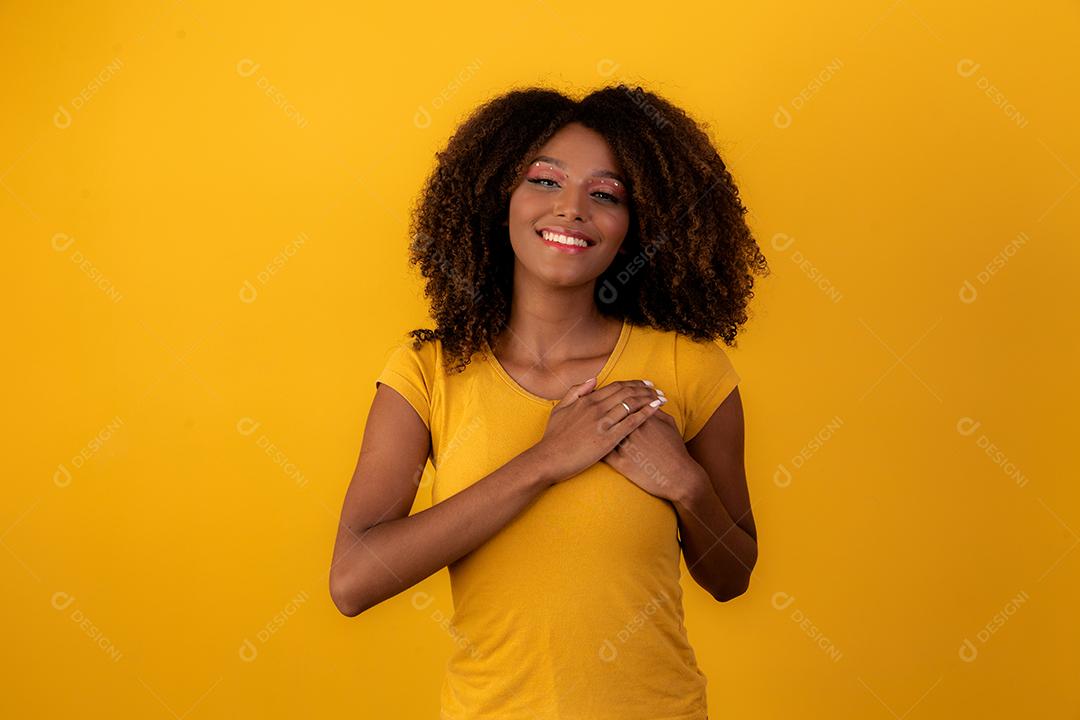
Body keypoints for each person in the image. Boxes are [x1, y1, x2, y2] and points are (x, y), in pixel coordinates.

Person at [329, 84, 770, 719]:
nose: (571, 209)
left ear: (635, 226)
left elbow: (731, 578)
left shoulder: (688, 368)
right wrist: (545, 460)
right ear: (498, 200)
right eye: (544, 181)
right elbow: (353, 582)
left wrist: (687, 485)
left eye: (605, 194)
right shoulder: (429, 373)